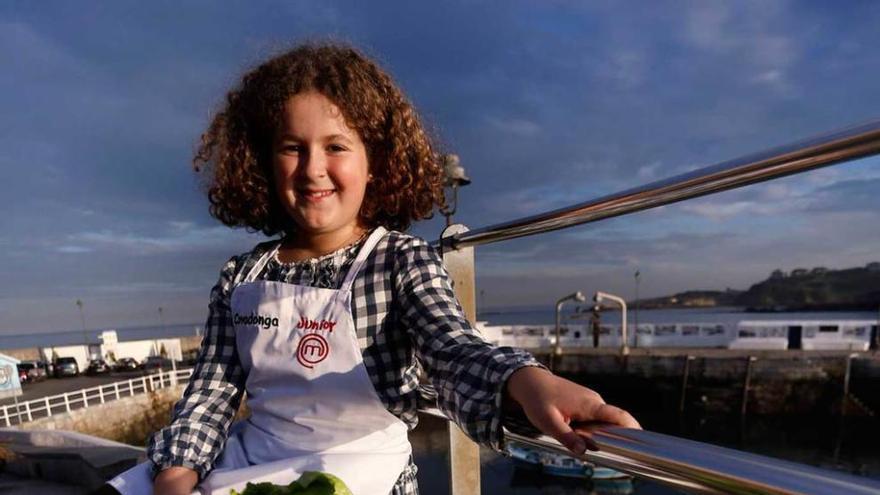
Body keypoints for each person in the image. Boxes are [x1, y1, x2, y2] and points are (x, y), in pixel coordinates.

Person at [107, 42, 639, 495]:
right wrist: (177, 476)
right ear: (264, 162)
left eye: (336, 146)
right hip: (250, 459)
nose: (313, 168)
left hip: (362, 471)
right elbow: (211, 393)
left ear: (375, 162)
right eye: (293, 148)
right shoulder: (239, 276)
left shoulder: (400, 260)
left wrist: (527, 382)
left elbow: (452, 348)